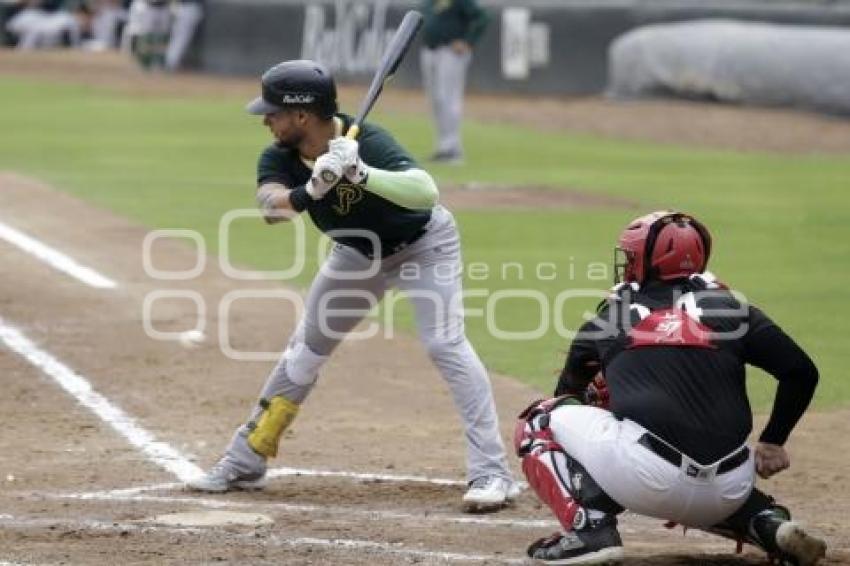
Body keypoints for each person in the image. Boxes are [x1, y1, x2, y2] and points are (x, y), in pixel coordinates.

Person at [186, 59, 519, 512]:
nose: (265, 120)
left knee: (445, 344)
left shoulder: (369, 141)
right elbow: (271, 208)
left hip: (424, 246)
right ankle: (246, 459)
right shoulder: (279, 156)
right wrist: (313, 189)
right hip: (356, 254)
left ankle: (492, 473)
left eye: (273, 112)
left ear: (301, 116)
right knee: (305, 351)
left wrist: (360, 173)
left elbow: (425, 192)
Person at [515, 211, 827, 564]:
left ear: (646, 261)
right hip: (732, 487)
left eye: (631, 256)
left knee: (539, 419)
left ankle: (591, 529)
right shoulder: (734, 310)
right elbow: (802, 371)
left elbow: (566, 398)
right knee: (700, 468)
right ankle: (766, 522)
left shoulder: (612, 316)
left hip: (645, 480)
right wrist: (774, 440)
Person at [419, 0, 488, 164]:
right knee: (435, 99)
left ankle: (453, 149)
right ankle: (443, 146)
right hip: (430, 49)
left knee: (448, 98)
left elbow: (482, 18)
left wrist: (468, 41)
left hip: (450, 51)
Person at [164, 0, 203, 71]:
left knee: (179, 38)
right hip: (187, 8)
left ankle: (172, 62)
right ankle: (171, 63)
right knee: (181, 39)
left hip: (182, 9)